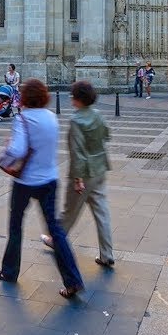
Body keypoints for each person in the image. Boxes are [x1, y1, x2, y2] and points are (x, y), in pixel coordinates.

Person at [0, 79, 84, 299]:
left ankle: (9, 271)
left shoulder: (23, 119)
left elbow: (17, 149)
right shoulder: (51, 117)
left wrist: (7, 147)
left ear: (24, 97)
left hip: (25, 182)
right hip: (49, 180)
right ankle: (73, 280)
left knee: (15, 226)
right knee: (56, 230)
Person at [41, 80, 115, 267]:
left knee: (69, 212)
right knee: (102, 213)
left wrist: (77, 179)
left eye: (73, 95)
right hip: (100, 169)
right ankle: (107, 255)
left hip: (84, 175)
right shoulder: (97, 115)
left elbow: (77, 153)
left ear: (79, 99)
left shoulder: (76, 121)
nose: (71, 98)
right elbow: (107, 135)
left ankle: (55, 240)